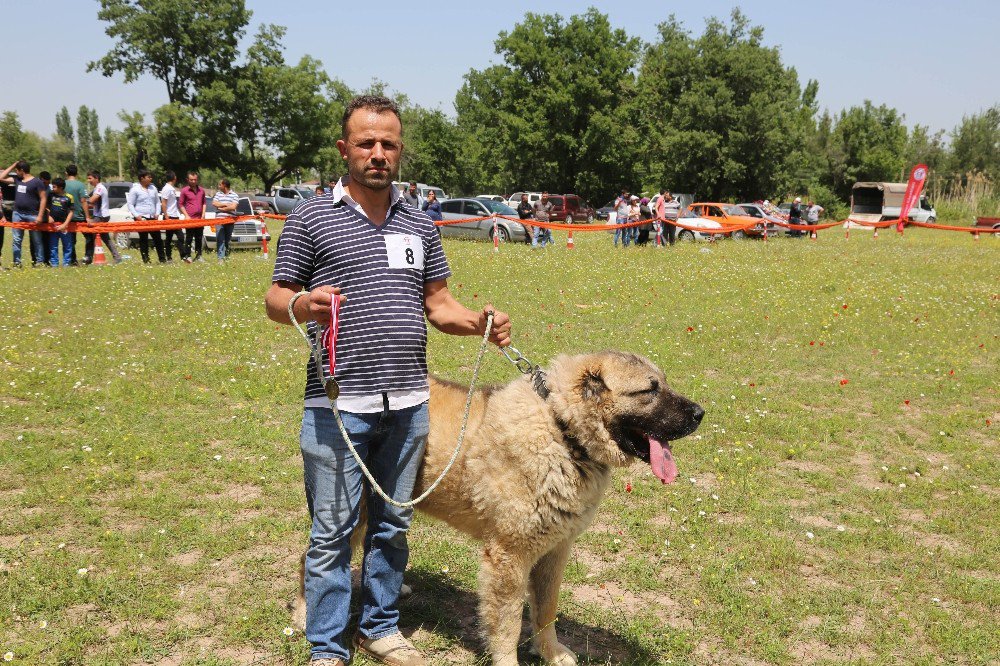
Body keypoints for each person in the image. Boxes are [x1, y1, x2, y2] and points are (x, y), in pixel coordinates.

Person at [264, 94, 511, 666]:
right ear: (344, 148)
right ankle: (327, 648)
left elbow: (440, 305)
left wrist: (477, 323)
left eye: (389, 144)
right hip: (336, 405)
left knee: (392, 525)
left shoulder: (419, 223)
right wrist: (304, 302)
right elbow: (276, 299)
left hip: (408, 402)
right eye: (367, 143)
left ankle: (379, 627)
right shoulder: (309, 217)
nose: (378, 154)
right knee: (332, 531)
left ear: (400, 151)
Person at [0, 161, 48, 268]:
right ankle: (17, 262)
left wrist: (40, 216)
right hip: (17, 214)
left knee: (36, 240)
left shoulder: (37, 182)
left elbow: (43, 198)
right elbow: (1, 177)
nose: (15, 172)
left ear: (22, 170)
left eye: (17, 170)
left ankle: (40, 262)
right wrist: (13, 165)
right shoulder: (17, 179)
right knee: (16, 240)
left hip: (33, 215)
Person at [84, 170, 123, 264]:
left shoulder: (99, 188)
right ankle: (117, 257)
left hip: (101, 217)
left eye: (90, 178)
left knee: (90, 235)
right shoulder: (98, 187)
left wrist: (83, 201)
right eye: (88, 178)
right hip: (101, 216)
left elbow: (92, 200)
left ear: (96, 178)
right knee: (105, 238)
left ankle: (88, 258)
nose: (88, 180)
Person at [128, 169, 164, 264]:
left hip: (153, 218)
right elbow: (130, 204)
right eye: (148, 177)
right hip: (141, 218)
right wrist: (137, 216)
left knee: (158, 238)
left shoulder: (153, 188)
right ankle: (146, 260)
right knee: (143, 239)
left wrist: (157, 213)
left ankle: (162, 259)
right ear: (142, 178)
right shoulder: (135, 189)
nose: (151, 178)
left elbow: (157, 202)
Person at [46, 177, 75, 267]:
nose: (52, 188)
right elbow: (46, 207)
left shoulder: (69, 197)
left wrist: (65, 224)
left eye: (54, 187)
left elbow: (71, 212)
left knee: (67, 246)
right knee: (53, 246)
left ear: (61, 188)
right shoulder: (50, 195)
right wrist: (48, 216)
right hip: (52, 226)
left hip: (65, 226)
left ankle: (66, 263)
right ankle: (54, 264)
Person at [160, 171, 188, 263]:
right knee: (169, 238)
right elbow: (164, 203)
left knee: (180, 237)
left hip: (175, 216)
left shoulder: (171, 189)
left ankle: (183, 256)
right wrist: (166, 215)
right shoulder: (167, 189)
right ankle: (169, 257)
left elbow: (174, 204)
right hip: (169, 216)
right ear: (174, 178)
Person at [179, 171, 207, 261]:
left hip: (199, 219)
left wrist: (203, 215)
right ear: (188, 180)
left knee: (199, 238)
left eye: (195, 180)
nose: (194, 181)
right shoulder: (184, 191)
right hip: (190, 219)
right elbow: (181, 204)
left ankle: (199, 255)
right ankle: (188, 256)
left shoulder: (201, 190)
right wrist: (186, 215)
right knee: (189, 238)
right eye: (191, 180)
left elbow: (204, 203)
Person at [64, 165, 88, 266]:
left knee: (70, 240)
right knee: (89, 237)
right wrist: (87, 216)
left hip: (67, 217)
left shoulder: (63, 184)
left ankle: (72, 260)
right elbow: (83, 201)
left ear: (66, 173)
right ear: (77, 173)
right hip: (80, 216)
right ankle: (88, 257)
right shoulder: (81, 185)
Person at [212, 178, 239, 261]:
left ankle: (226, 256)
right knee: (220, 239)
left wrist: (221, 208)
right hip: (219, 220)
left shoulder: (234, 195)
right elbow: (214, 203)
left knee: (227, 239)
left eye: (220, 184)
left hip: (230, 220)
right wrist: (226, 205)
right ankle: (220, 258)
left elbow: (233, 207)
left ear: (224, 185)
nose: (218, 186)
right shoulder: (218, 194)